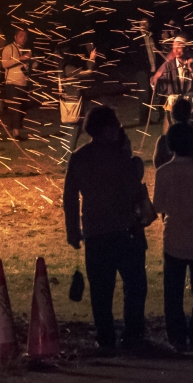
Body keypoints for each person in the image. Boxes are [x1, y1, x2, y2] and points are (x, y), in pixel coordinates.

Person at [63, 105, 149, 353]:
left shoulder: (79, 157)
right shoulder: (120, 157)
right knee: (134, 286)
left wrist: (73, 230)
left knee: (101, 290)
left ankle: (105, 336)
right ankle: (133, 334)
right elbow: (134, 191)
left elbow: (70, 197)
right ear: (108, 128)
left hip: (96, 232)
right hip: (125, 231)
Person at [152, 122, 193, 352]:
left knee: (174, 292)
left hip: (174, 239)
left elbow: (158, 204)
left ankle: (177, 337)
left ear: (170, 146)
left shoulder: (163, 172)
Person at [0, 27, 32, 142]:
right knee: (16, 108)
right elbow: (4, 64)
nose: (23, 39)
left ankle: (13, 128)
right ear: (15, 37)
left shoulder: (26, 49)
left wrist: (33, 64)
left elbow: (26, 66)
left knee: (22, 108)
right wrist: (21, 58)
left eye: (25, 36)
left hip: (24, 83)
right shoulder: (9, 48)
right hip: (12, 83)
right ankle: (16, 134)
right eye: (21, 36)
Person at [152, 97, 193, 168]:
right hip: (190, 172)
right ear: (190, 115)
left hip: (169, 173)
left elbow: (158, 163)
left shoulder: (163, 140)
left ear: (172, 115)